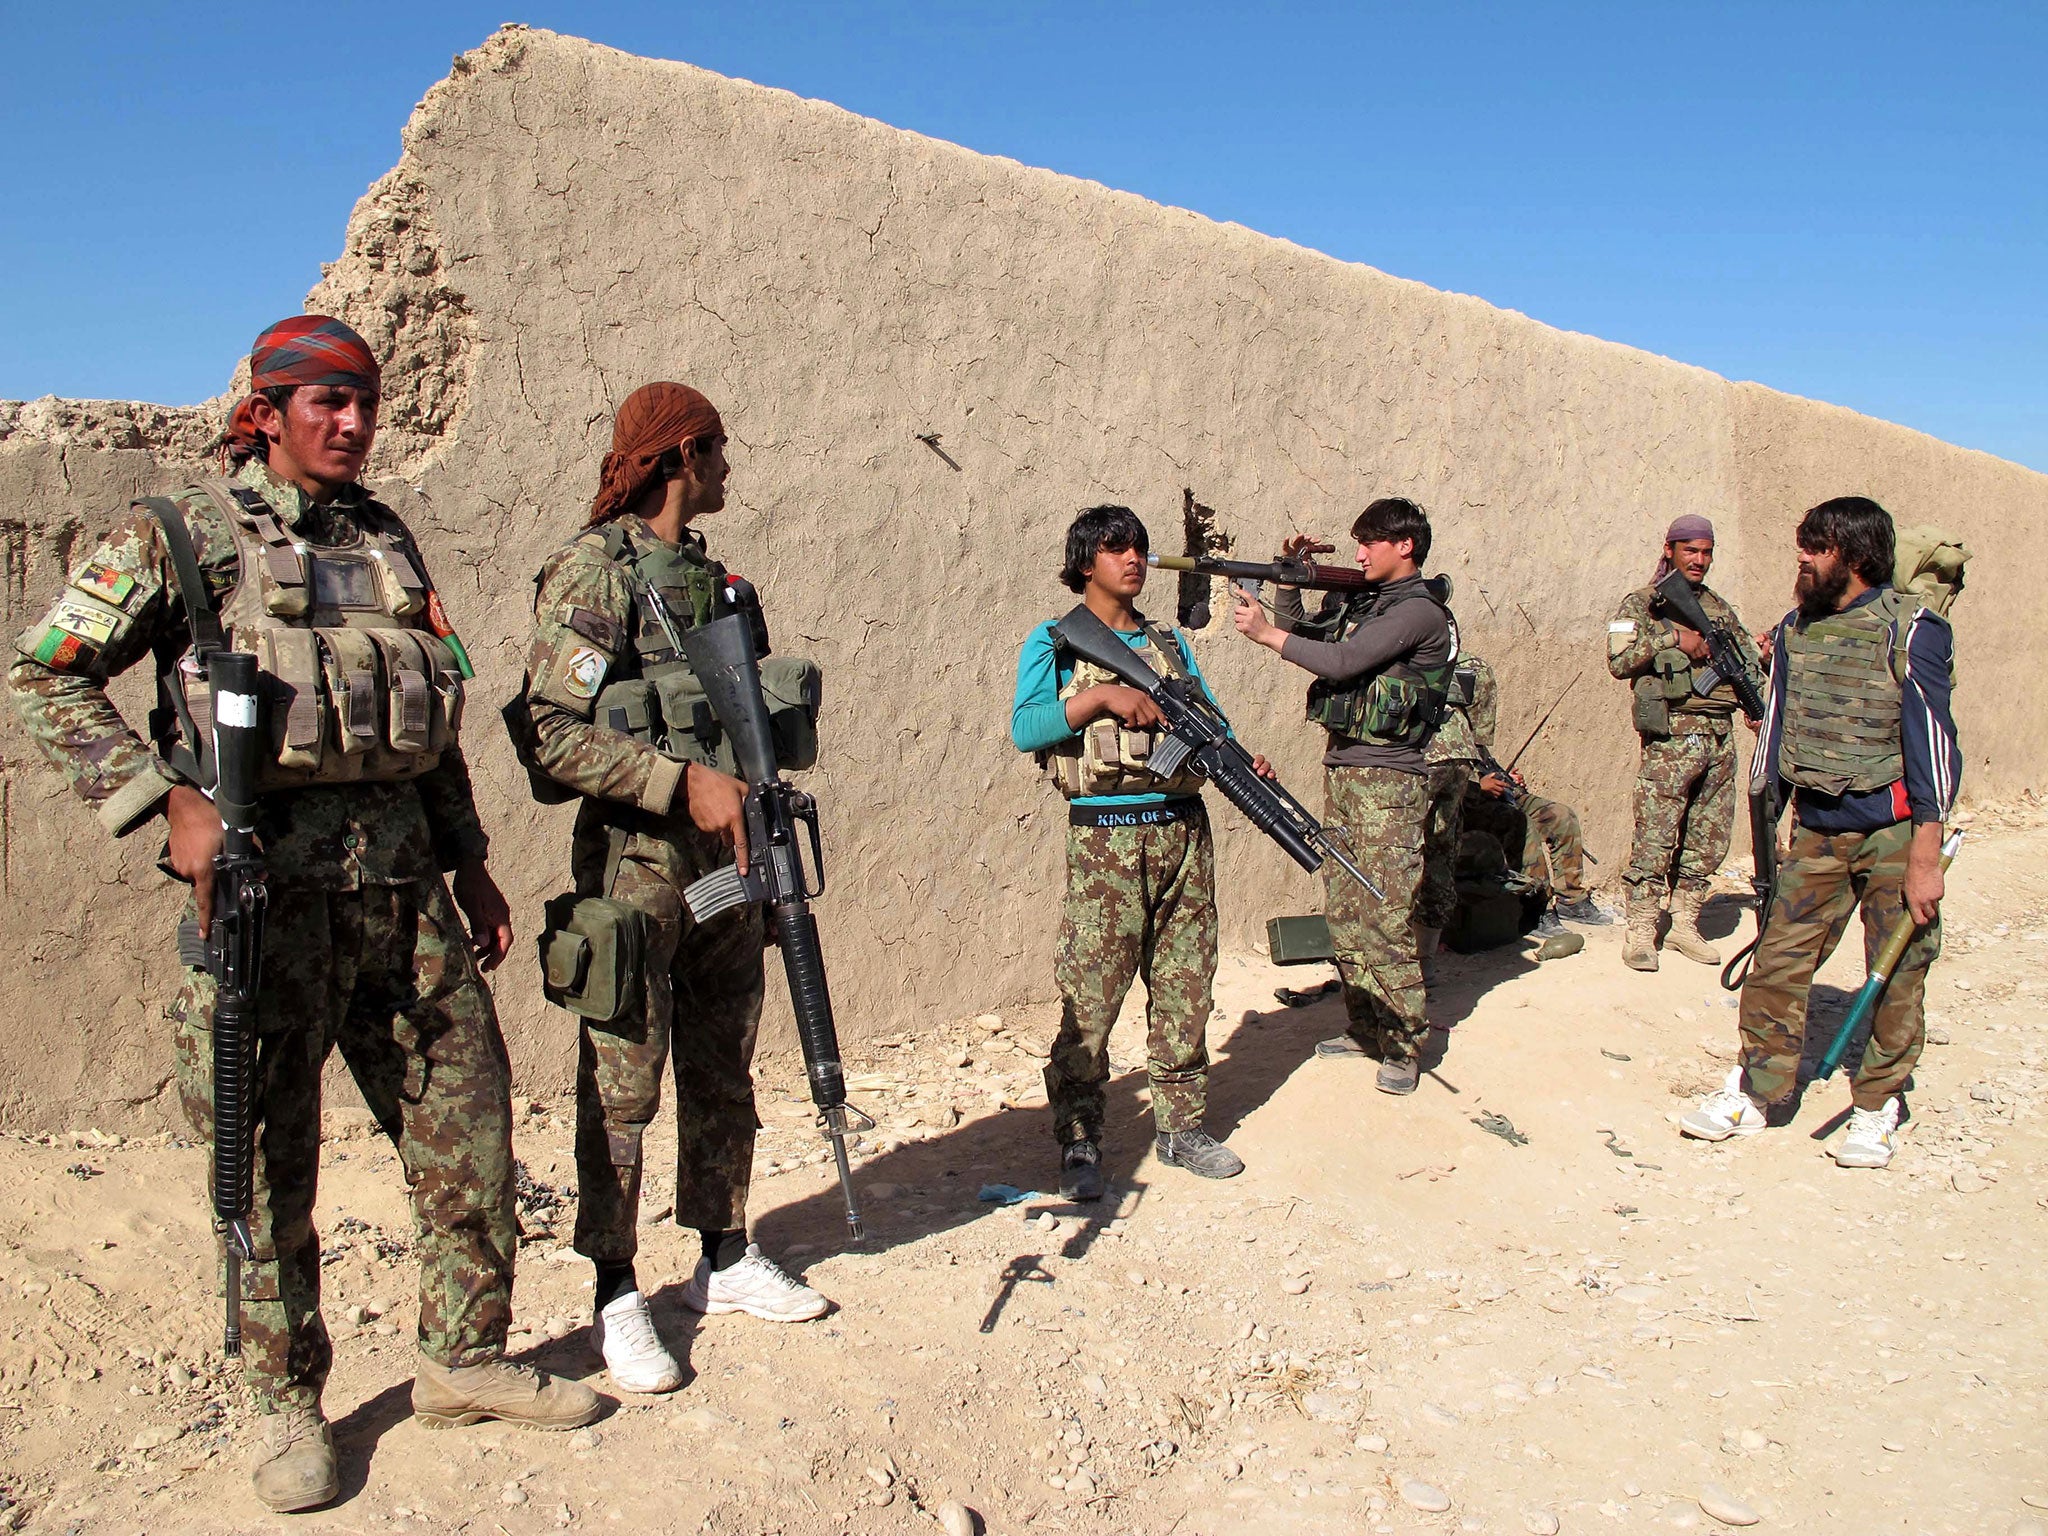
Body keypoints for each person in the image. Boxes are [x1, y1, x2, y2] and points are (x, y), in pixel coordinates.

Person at [5, 316, 596, 1513]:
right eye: (324, 401)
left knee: (470, 1138)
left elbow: (429, 712)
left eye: (364, 401)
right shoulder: (177, 533)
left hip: (404, 904)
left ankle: (462, 1358)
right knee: (271, 1166)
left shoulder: (384, 539)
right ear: (264, 412)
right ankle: (284, 1399)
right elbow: (44, 672)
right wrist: (158, 798)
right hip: (266, 904)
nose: (351, 422)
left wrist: (469, 861)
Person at [519, 382, 829, 1395]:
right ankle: (616, 1290)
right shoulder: (593, 570)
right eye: (718, 450)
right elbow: (548, 732)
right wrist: (674, 782)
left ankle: (724, 1255)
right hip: (637, 863)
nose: (729, 467)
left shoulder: (712, 581)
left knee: (721, 1062)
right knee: (623, 1085)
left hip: (727, 861)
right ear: (679, 457)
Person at [1682, 497, 1958, 1169]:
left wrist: (1927, 853)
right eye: (1803, 546)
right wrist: (1775, 819)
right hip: (1817, 831)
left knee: (1896, 970)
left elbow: (1933, 744)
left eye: (1819, 548)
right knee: (1777, 962)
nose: (1803, 558)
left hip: (1893, 832)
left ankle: (1876, 1104)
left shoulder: (1912, 629)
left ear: (1858, 558)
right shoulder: (1797, 628)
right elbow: (1776, 728)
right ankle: (1758, 1090)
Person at [1011, 505, 1250, 1199]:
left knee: (1186, 982)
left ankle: (1182, 1126)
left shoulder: (1169, 643)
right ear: (1087, 563)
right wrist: (1103, 697)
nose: (1134, 560)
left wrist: (1241, 756)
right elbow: (1028, 727)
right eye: (1117, 549)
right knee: (1093, 993)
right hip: (1105, 838)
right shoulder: (1055, 642)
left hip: (1182, 828)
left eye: (1141, 548)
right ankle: (1080, 1140)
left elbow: (1212, 719)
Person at [1231, 499, 1456, 1095]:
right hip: (1347, 769)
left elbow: (1340, 660)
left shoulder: (1418, 613)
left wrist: (1262, 634)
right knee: (1347, 909)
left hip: (1390, 779)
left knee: (1382, 912)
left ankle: (1404, 1042)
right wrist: (1280, 592)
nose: (1358, 554)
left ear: (1404, 546)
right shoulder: (1369, 602)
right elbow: (1311, 633)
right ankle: (1365, 1029)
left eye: (1370, 543)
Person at [1607, 514, 1760, 971]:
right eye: (1690, 550)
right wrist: (1673, 636)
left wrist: (1756, 690)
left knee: (1708, 837)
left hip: (1718, 735)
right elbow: (1618, 659)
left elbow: (1747, 660)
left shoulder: (1719, 607)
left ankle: (1685, 923)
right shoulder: (1642, 604)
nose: (1699, 560)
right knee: (1655, 834)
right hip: (1673, 736)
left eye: (1707, 551)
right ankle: (1641, 928)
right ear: (1669, 548)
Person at [1414, 623, 1483, 982]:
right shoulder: (1472, 664)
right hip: (1461, 757)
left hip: (1421, 756)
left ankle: (1400, 962)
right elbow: (1484, 733)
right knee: (1441, 851)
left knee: (1404, 852)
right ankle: (1426, 959)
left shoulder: (1402, 650)